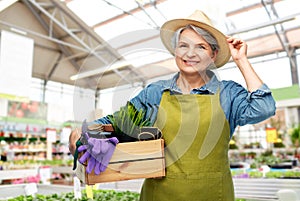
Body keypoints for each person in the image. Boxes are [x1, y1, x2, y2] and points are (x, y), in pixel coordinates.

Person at [69, 10, 276, 201]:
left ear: (213, 55)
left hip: (213, 194)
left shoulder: (228, 93)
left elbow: (264, 107)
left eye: (201, 47)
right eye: (183, 45)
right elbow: (114, 122)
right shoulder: (155, 93)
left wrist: (241, 60)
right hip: (160, 195)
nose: (190, 53)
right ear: (175, 51)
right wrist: (81, 134)